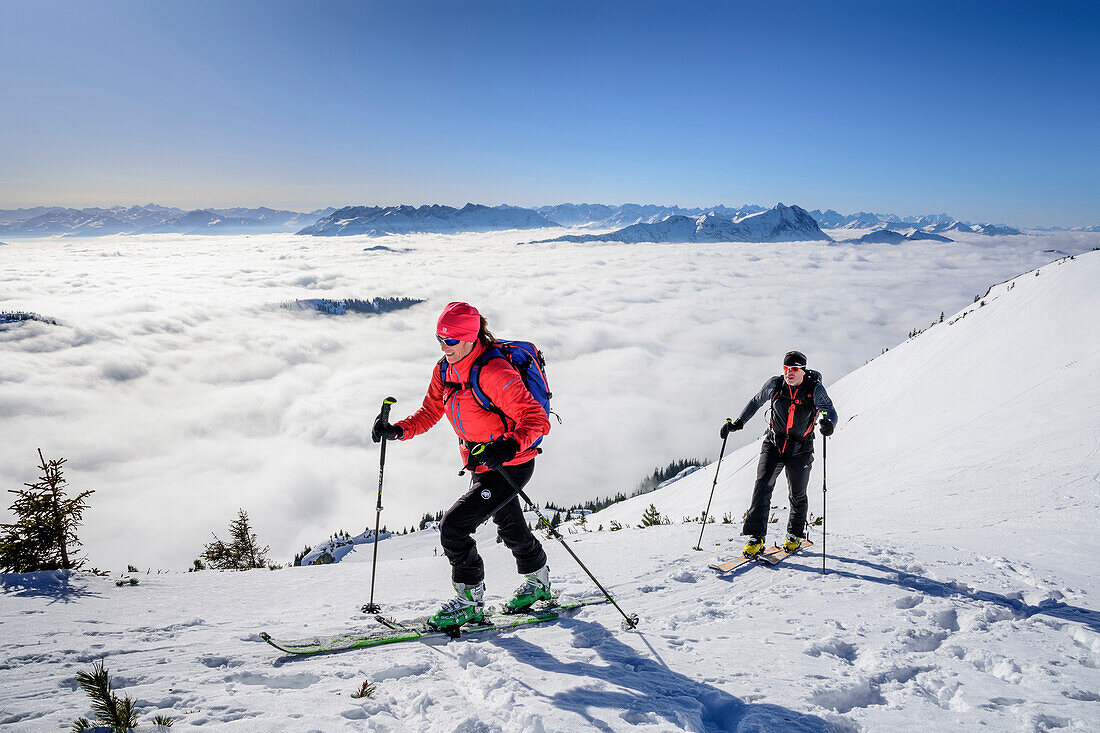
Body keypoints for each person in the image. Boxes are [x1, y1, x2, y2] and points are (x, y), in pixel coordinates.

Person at [371, 302, 552, 629]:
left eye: (450, 340)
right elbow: (429, 413)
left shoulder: (494, 372)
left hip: (511, 464)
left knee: (454, 527)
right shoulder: (445, 369)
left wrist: (509, 445)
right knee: (510, 525)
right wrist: (397, 430)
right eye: (439, 339)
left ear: (470, 338)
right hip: (481, 463)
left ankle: (469, 602)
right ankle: (538, 583)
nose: (444, 347)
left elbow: (536, 420)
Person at [720, 350, 838, 557]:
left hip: (801, 449)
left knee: (797, 493)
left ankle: (794, 535)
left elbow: (828, 409)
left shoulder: (814, 389)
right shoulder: (775, 385)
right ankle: (756, 537)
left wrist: (829, 423)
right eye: (785, 369)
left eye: (793, 369)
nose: (789, 373)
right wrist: (739, 423)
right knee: (762, 486)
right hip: (774, 443)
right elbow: (756, 401)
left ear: (803, 371)